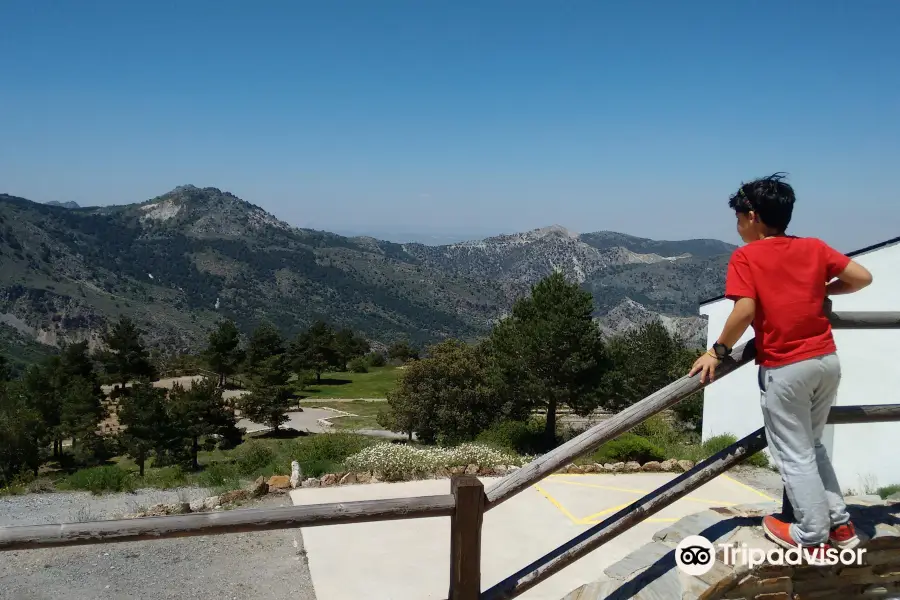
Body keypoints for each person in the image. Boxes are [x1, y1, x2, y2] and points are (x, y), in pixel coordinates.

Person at [689, 173, 873, 555]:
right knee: (813, 446)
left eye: (739, 219)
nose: (737, 227)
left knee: (794, 453)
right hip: (825, 360)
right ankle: (840, 526)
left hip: (786, 367)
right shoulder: (814, 247)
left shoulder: (746, 256)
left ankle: (810, 535)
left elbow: (745, 309)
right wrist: (820, 289)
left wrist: (717, 351)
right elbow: (861, 278)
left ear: (753, 216)